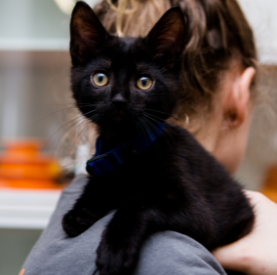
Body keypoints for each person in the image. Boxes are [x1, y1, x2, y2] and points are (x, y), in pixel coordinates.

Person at [21, 0, 277, 274]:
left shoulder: (67, 203)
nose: (119, 98)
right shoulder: (173, 262)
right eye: (101, 79)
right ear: (241, 95)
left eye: (143, 82)